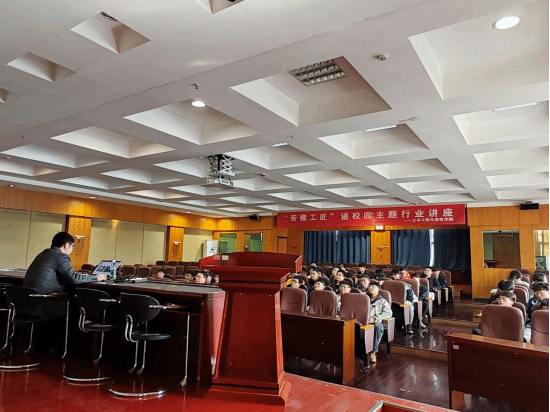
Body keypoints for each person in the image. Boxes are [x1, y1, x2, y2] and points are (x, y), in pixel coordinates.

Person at [24, 232, 107, 294]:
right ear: (66, 245)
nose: (72, 249)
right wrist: (96, 278)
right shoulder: (61, 256)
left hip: (27, 298)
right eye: (73, 246)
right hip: (44, 300)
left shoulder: (43, 253)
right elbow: (73, 278)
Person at [367, 281, 392, 364]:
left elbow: (388, 313)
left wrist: (375, 318)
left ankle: (373, 351)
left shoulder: (382, 301)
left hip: (374, 321)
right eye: (370, 286)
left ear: (378, 289)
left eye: (373, 287)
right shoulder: (364, 298)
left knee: (379, 326)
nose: (370, 288)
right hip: (363, 320)